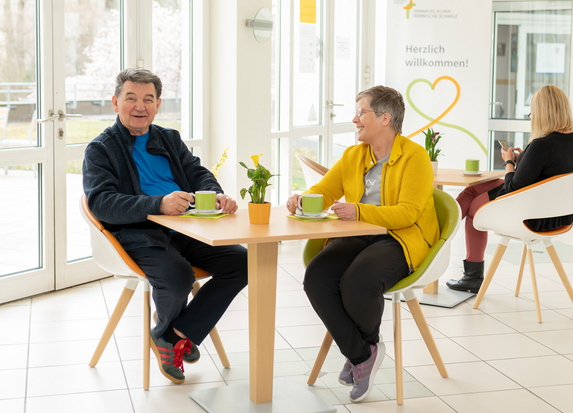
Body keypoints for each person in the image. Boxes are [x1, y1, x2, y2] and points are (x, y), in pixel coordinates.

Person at [83, 68, 248, 384]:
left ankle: (173, 334)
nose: (140, 106)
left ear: (158, 105)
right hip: (137, 235)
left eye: (148, 99)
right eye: (131, 98)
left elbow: (197, 172)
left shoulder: (169, 138)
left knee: (243, 261)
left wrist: (215, 194)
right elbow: (102, 203)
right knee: (178, 275)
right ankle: (174, 336)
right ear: (115, 102)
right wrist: (157, 204)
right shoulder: (101, 149)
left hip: (187, 228)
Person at [287, 85, 439, 402]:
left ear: (385, 118)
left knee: (358, 279)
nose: (354, 119)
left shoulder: (415, 157)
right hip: (359, 234)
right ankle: (362, 355)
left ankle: (360, 354)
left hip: (402, 237)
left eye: (361, 112)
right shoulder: (354, 155)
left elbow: (408, 214)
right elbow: (325, 191)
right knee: (317, 277)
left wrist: (358, 210)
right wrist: (302, 199)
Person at [446, 85, 573, 293]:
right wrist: (524, 160)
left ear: (542, 112)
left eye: (532, 113)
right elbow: (550, 172)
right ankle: (444, 238)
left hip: (532, 216)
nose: (532, 118)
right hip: (559, 214)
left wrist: (509, 162)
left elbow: (512, 188)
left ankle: (455, 257)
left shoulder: (541, 145)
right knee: (472, 191)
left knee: (474, 207)